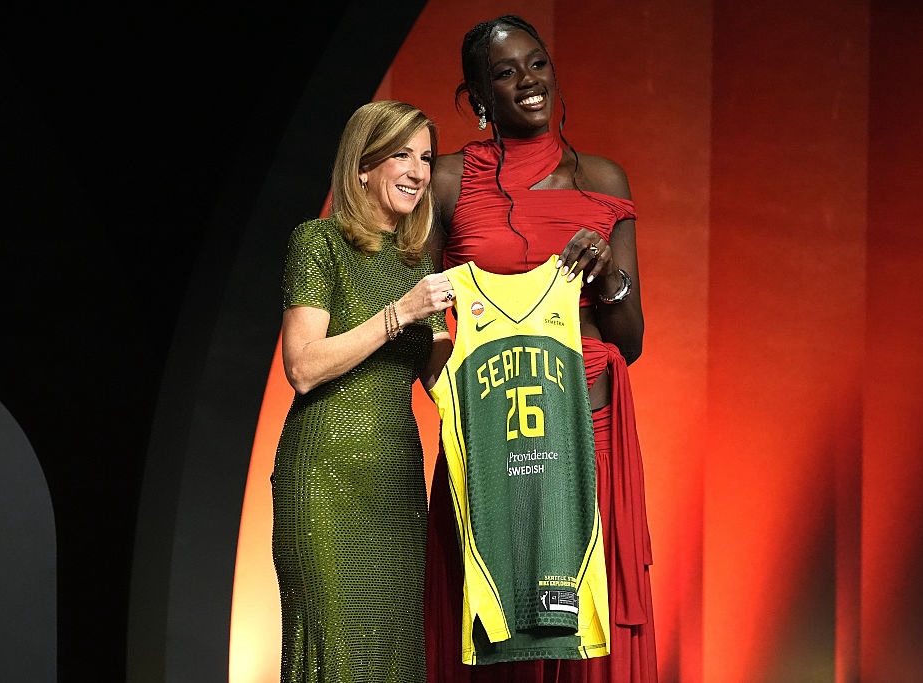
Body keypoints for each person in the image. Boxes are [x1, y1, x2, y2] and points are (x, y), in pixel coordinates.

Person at [423, 15, 659, 683]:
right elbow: (425, 317)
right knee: (498, 635)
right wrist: (455, 403)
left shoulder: (604, 179)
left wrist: (608, 277)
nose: (529, 81)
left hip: (589, 431)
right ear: (478, 97)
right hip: (494, 434)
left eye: (538, 64)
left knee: (583, 632)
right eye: (506, 72)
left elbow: (631, 341)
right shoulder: (447, 182)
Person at [271, 99, 455, 683]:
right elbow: (303, 366)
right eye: (402, 155)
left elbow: (440, 381)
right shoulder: (319, 242)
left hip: (396, 486)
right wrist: (399, 313)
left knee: (396, 658)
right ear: (362, 167)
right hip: (327, 481)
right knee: (336, 656)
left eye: (426, 158)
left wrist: (496, 323)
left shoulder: (417, 264)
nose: (418, 172)